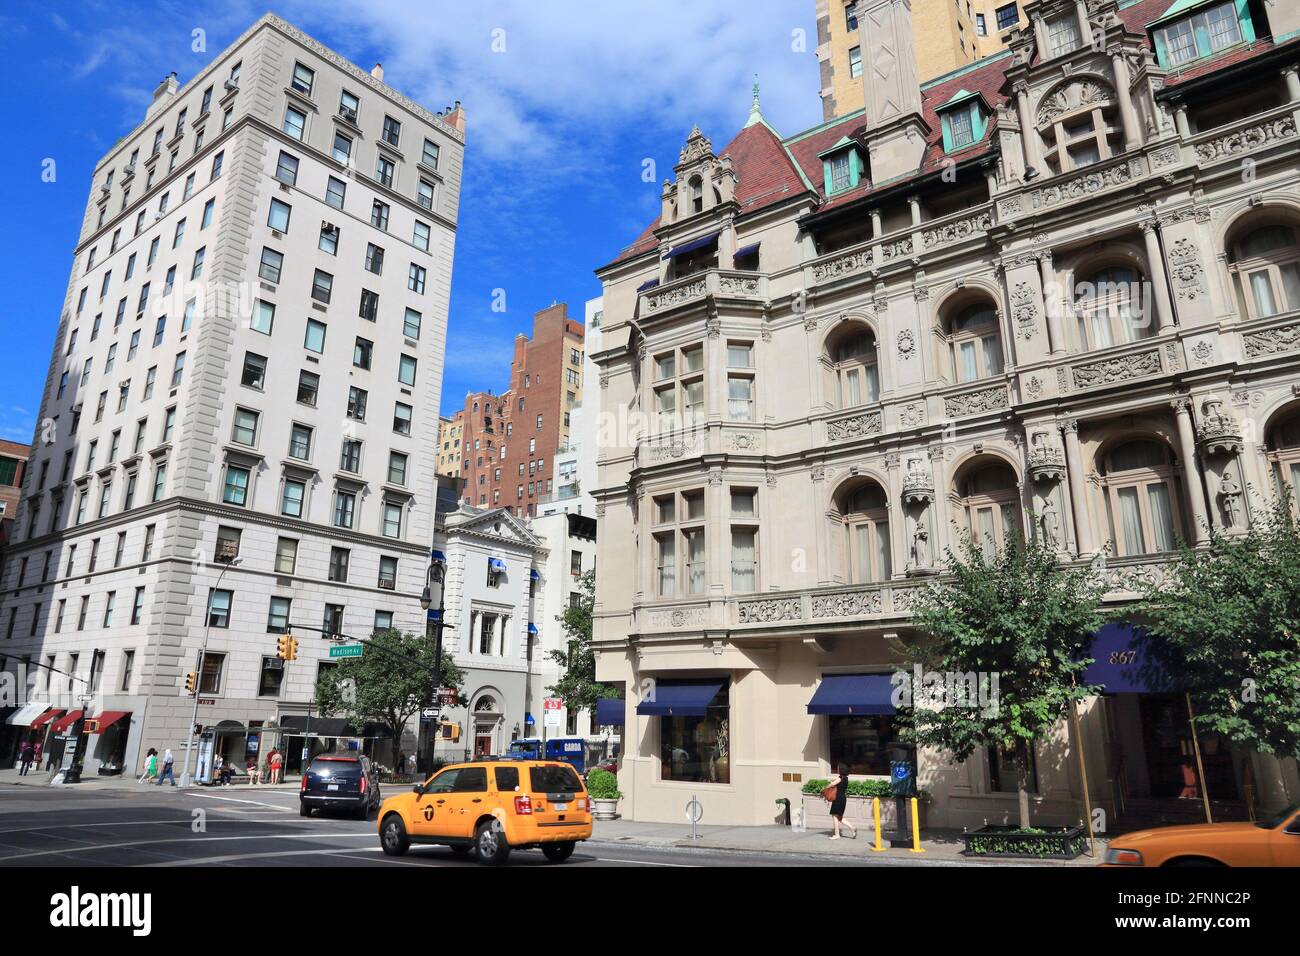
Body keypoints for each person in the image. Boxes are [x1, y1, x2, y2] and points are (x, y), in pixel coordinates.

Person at [826, 763, 857, 840]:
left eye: (838, 768)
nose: (837, 769)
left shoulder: (840, 778)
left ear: (841, 770)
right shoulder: (846, 778)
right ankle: (852, 828)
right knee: (839, 817)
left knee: (834, 816)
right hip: (843, 798)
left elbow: (832, 784)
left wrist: (826, 787)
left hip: (838, 798)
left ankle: (837, 834)